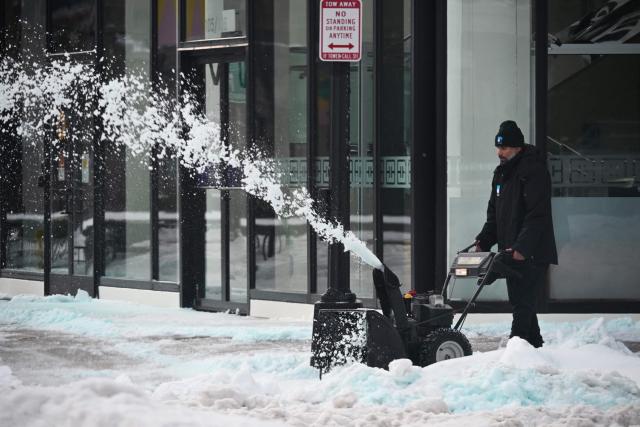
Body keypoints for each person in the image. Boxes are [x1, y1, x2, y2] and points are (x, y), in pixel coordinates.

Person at [475, 120, 558, 348]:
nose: (499, 153)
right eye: (498, 148)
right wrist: (484, 240)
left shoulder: (533, 171)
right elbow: (495, 214)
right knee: (522, 302)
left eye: (504, 148)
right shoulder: (502, 174)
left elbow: (537, 215)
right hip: (511, 251)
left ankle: (516, 347)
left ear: (518, 147)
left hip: (531, 251)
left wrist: (522, 248)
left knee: (522, 303)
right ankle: (535, 346)